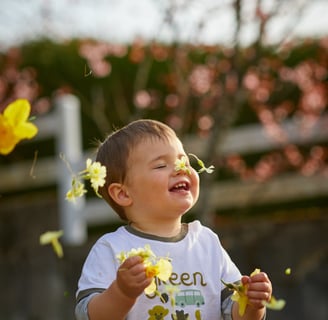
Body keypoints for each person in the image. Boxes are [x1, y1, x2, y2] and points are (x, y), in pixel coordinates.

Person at [75, 119, 272, 320]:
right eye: (161, 165)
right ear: (123, 194)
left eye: (184, 162)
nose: (181, 169)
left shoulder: (206, 242)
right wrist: (121, 293)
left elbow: (233, 311)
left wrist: (252, 304)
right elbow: (88, 316)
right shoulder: (112, 248)